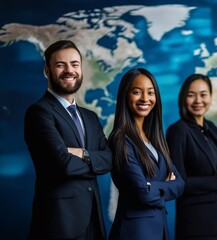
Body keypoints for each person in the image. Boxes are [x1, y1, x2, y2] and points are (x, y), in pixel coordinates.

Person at [24, 40, 112, 239]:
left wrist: (81, 153)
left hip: (94, 222)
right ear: (47, 70)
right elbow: (62, 164)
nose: (69, 70)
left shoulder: (90, 117)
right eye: (60, 65)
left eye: (74, 64)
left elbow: (109, 159)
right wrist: (94, 159)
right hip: (59, 224)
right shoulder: (39, 113)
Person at [108, 68, 185, 240]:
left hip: (159, 228)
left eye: (150, 93)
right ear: (125, 96)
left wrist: (152, 186)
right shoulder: (120, 140)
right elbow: (142, 193)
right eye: (136, 92)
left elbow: (180, 184)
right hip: (136, 231)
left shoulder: (154, 140)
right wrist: (162, 186)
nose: (145, 98)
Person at [166, 74, 217, 240]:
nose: (198, 100)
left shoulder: (212, 128)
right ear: (183, 98)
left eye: (203, 94)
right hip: (197, 225)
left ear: (210, 97)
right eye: (191, 95)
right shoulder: (178, 131)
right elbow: (178, 183)